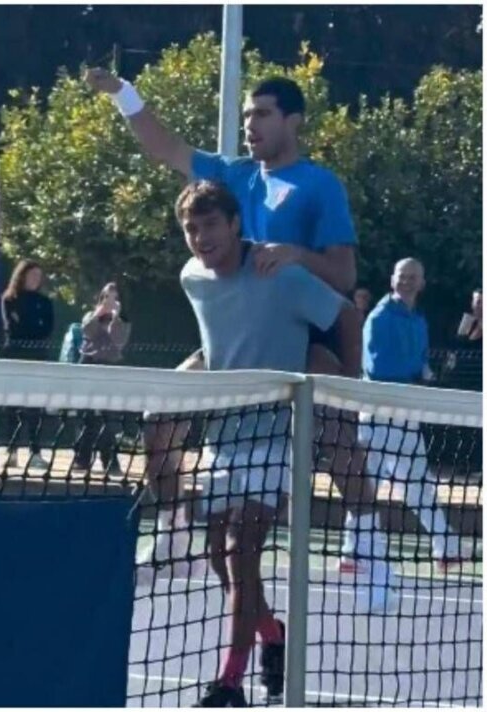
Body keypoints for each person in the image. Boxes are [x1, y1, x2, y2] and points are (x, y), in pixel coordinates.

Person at [85, 69, 374, 580]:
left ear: (293, 121)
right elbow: (165, 146)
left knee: (336, 433)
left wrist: (294, 254)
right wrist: (121, 92)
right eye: (246, 115)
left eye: (262, 114)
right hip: (234, 338)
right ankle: (174, 535)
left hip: (302, 338)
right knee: (160, 418)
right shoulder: (232, 175)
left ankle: (368, 544)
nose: (249, 124)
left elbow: (344, 275)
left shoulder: (320, 185)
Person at [170, 182, 389, 707]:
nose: (201, 237)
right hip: (223, 438)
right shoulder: (191, 278)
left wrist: (346, 390)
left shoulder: (280, 274)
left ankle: (229, 683)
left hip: (278, 438)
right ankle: (273, 636)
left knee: (241, 550)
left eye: (211, 225)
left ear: (235, 224)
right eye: (191, 229)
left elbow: (347, 315)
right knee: (221, 559)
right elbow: (224, 341)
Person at [347, 259, 463, 574]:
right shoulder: (380, 317)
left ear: (421, 283)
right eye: (402, 276)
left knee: (413, 483)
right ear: (392, 280)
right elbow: (377, 367)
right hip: (378, 411)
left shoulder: (418, 321)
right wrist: (415, 379)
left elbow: (420, 361)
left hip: (405, 412)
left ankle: (444, 547)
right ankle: (354, 550)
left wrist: (428, 374)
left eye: (413, 277)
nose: (407, 281)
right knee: (369, 482)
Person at [0, 259, 55, 469]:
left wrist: (28, 325)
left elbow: (46, 329)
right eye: (32, 275)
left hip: (37, 358)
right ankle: (12, 451)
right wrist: (29, 325)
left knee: (34, 407)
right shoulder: (9, 299)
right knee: (12, 406)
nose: (35, 279)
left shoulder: (45, 302)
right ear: (21, 276)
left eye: (38, 276)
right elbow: (13, 328)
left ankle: (35, 452)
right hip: (14, 357)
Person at [73, 283, 131, 471]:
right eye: (106, 297)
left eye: (114, 298)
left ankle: (110, 460)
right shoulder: (90, 316)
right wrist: (99, 314)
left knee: (109, 418)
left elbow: (117, 340)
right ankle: (82, 459)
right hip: (89, 366)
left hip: (110, 369)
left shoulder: (124, 321)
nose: (109, 301)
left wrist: (115, 318)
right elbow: (88, 331)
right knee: (88, 416)